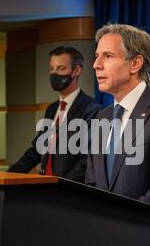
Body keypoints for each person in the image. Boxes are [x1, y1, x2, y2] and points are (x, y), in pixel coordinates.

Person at [85, 24, 150, 213]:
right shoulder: (101, 117)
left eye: (108, 56)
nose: (96, 65)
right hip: (103, 235)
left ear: (135, 63)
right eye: (96, 56)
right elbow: (92, 183)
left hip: (147, 234)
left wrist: (118, 222)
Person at [8, 46, 101, 182]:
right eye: (52, 69)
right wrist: (9, 175)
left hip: (69, 191)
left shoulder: (92, 109)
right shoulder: (52, 109)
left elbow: (87, 159)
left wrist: (61, 186)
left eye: (61, 68)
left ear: (76, 70)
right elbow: (37, 149)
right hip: (47, 187)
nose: (54, 73)